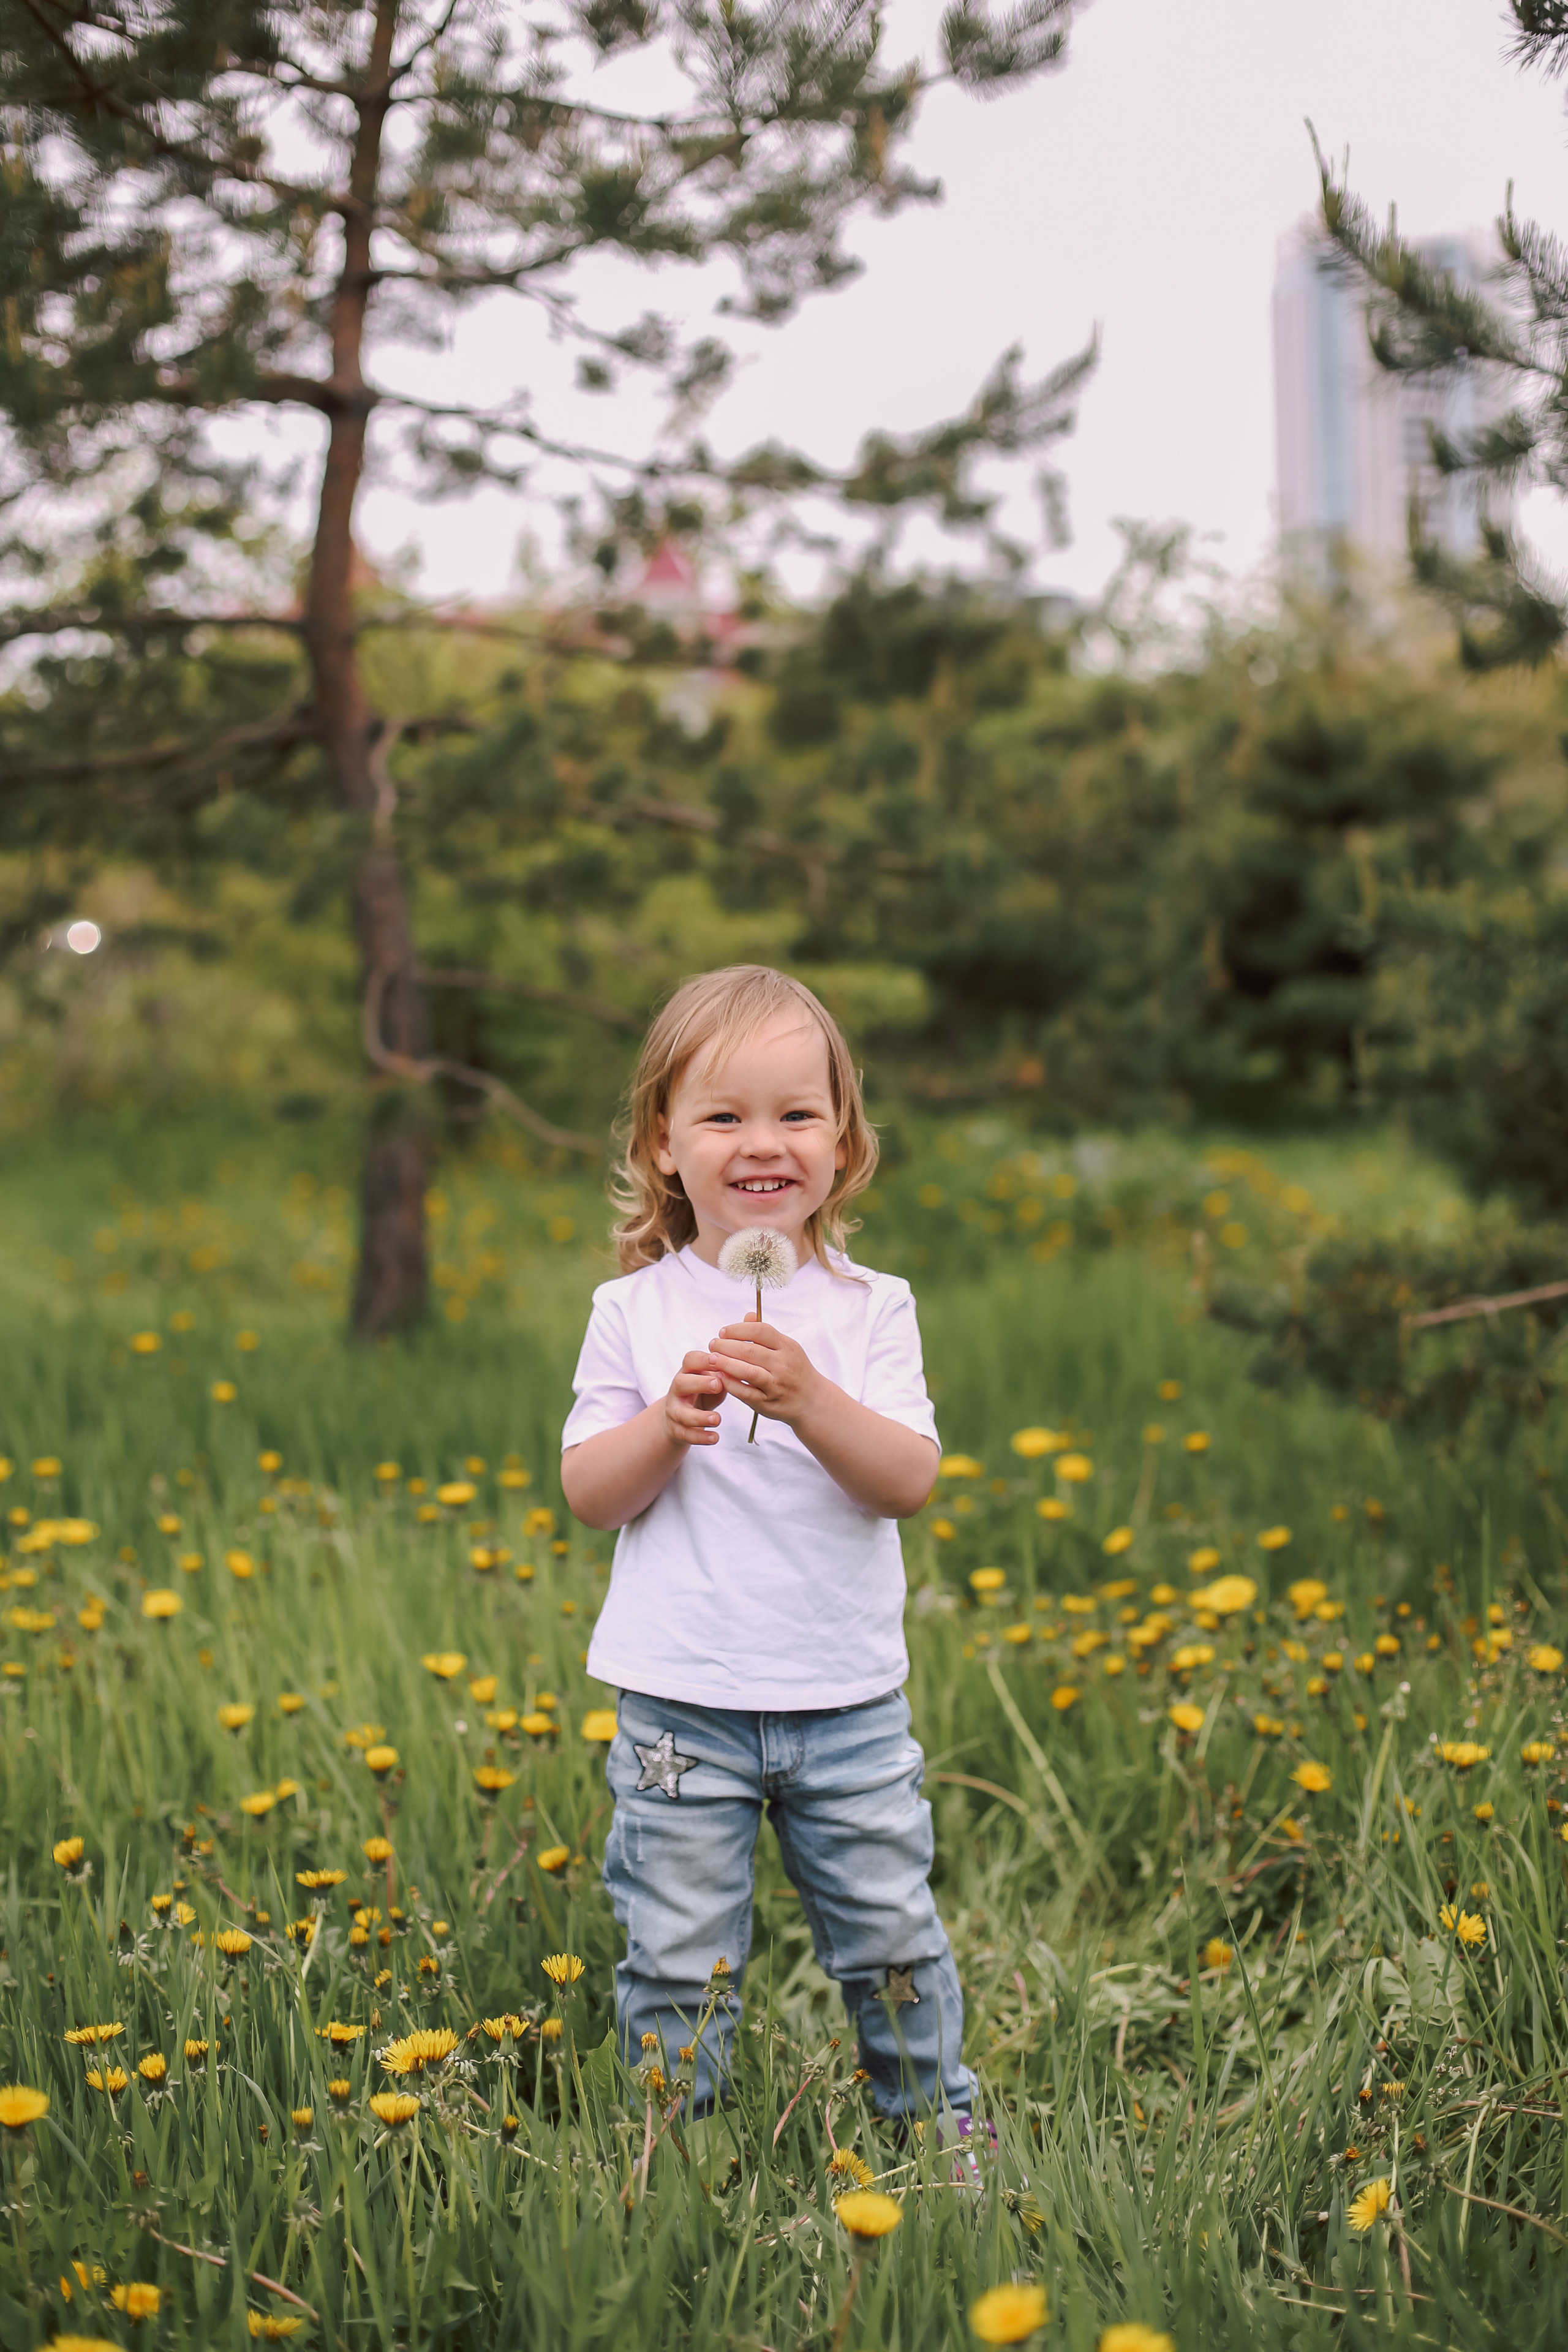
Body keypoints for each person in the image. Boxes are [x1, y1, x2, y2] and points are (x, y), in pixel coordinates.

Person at [560, 963, 978, 2124]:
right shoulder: (634, 1313)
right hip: (681, 1707)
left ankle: (936, 2122)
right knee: (676, 1953)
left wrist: (810, 1400)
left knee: (891, 1932)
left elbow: (908, 1480)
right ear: (663, 1142)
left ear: (844, 1143)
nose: (765, 1142)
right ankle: (667, 2150)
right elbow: (591, 1493)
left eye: (798, 1113)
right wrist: (666, 1427)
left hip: (846, 1703)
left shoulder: (868, 1307)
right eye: (725, 1114)